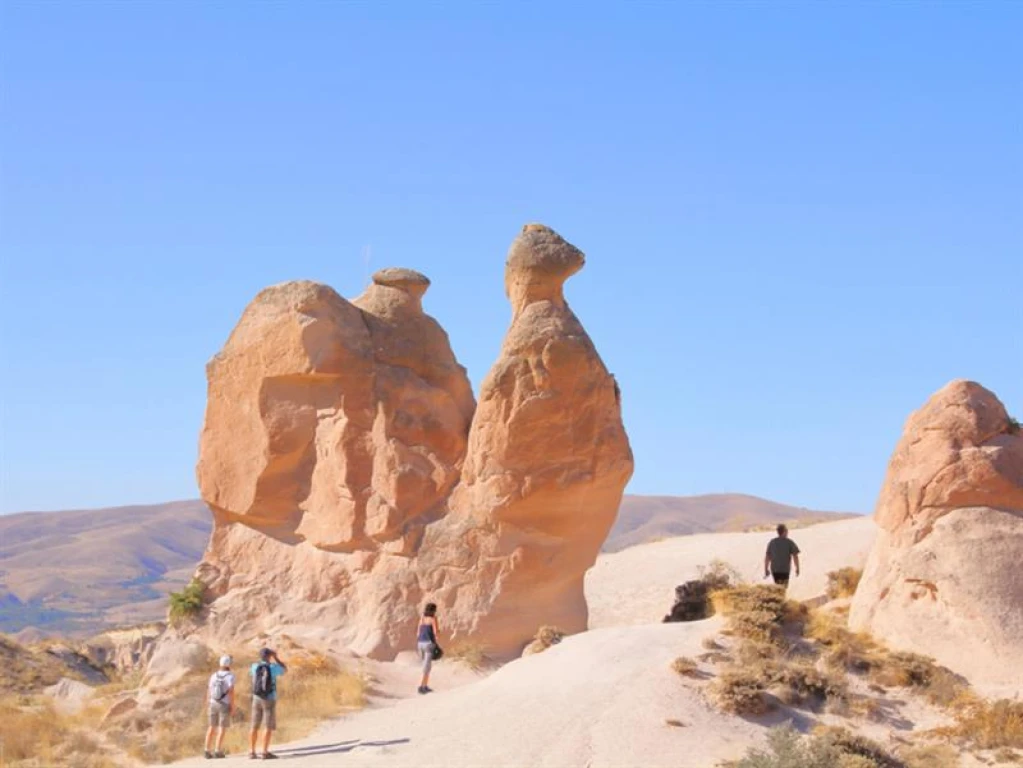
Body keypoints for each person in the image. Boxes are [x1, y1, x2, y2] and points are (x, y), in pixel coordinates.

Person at [249, 647, 287, 760]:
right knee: (268, 726)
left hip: (256, 697)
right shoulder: (273, 667)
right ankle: (265, 752)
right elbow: (285, 669)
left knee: (254, 726)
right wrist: (276, 657)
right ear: (269, 656)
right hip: (269, 698)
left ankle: (252, 751)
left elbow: (253, 676)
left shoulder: (254, 666)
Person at [204, 655, 235, 759]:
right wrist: (232, 705)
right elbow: (231, 692)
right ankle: (217, 750)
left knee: (211, 727)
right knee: (222, 728)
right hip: (224, 704)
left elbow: (209, 689)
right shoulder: (230, 676)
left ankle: (206, 750)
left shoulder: (214, 675)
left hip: (213, 702)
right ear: (229, 664)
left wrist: (208, 701)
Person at [416, 602, 440, 695]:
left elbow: (418, 633)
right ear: (434, 610)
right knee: (427, 667)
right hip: (428, 644)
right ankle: (422, 687)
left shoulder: (422, 618)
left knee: (425, 666)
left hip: (420, 643)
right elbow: (435, 633)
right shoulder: (433, 619)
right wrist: (438, 634)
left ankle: (424, 686)